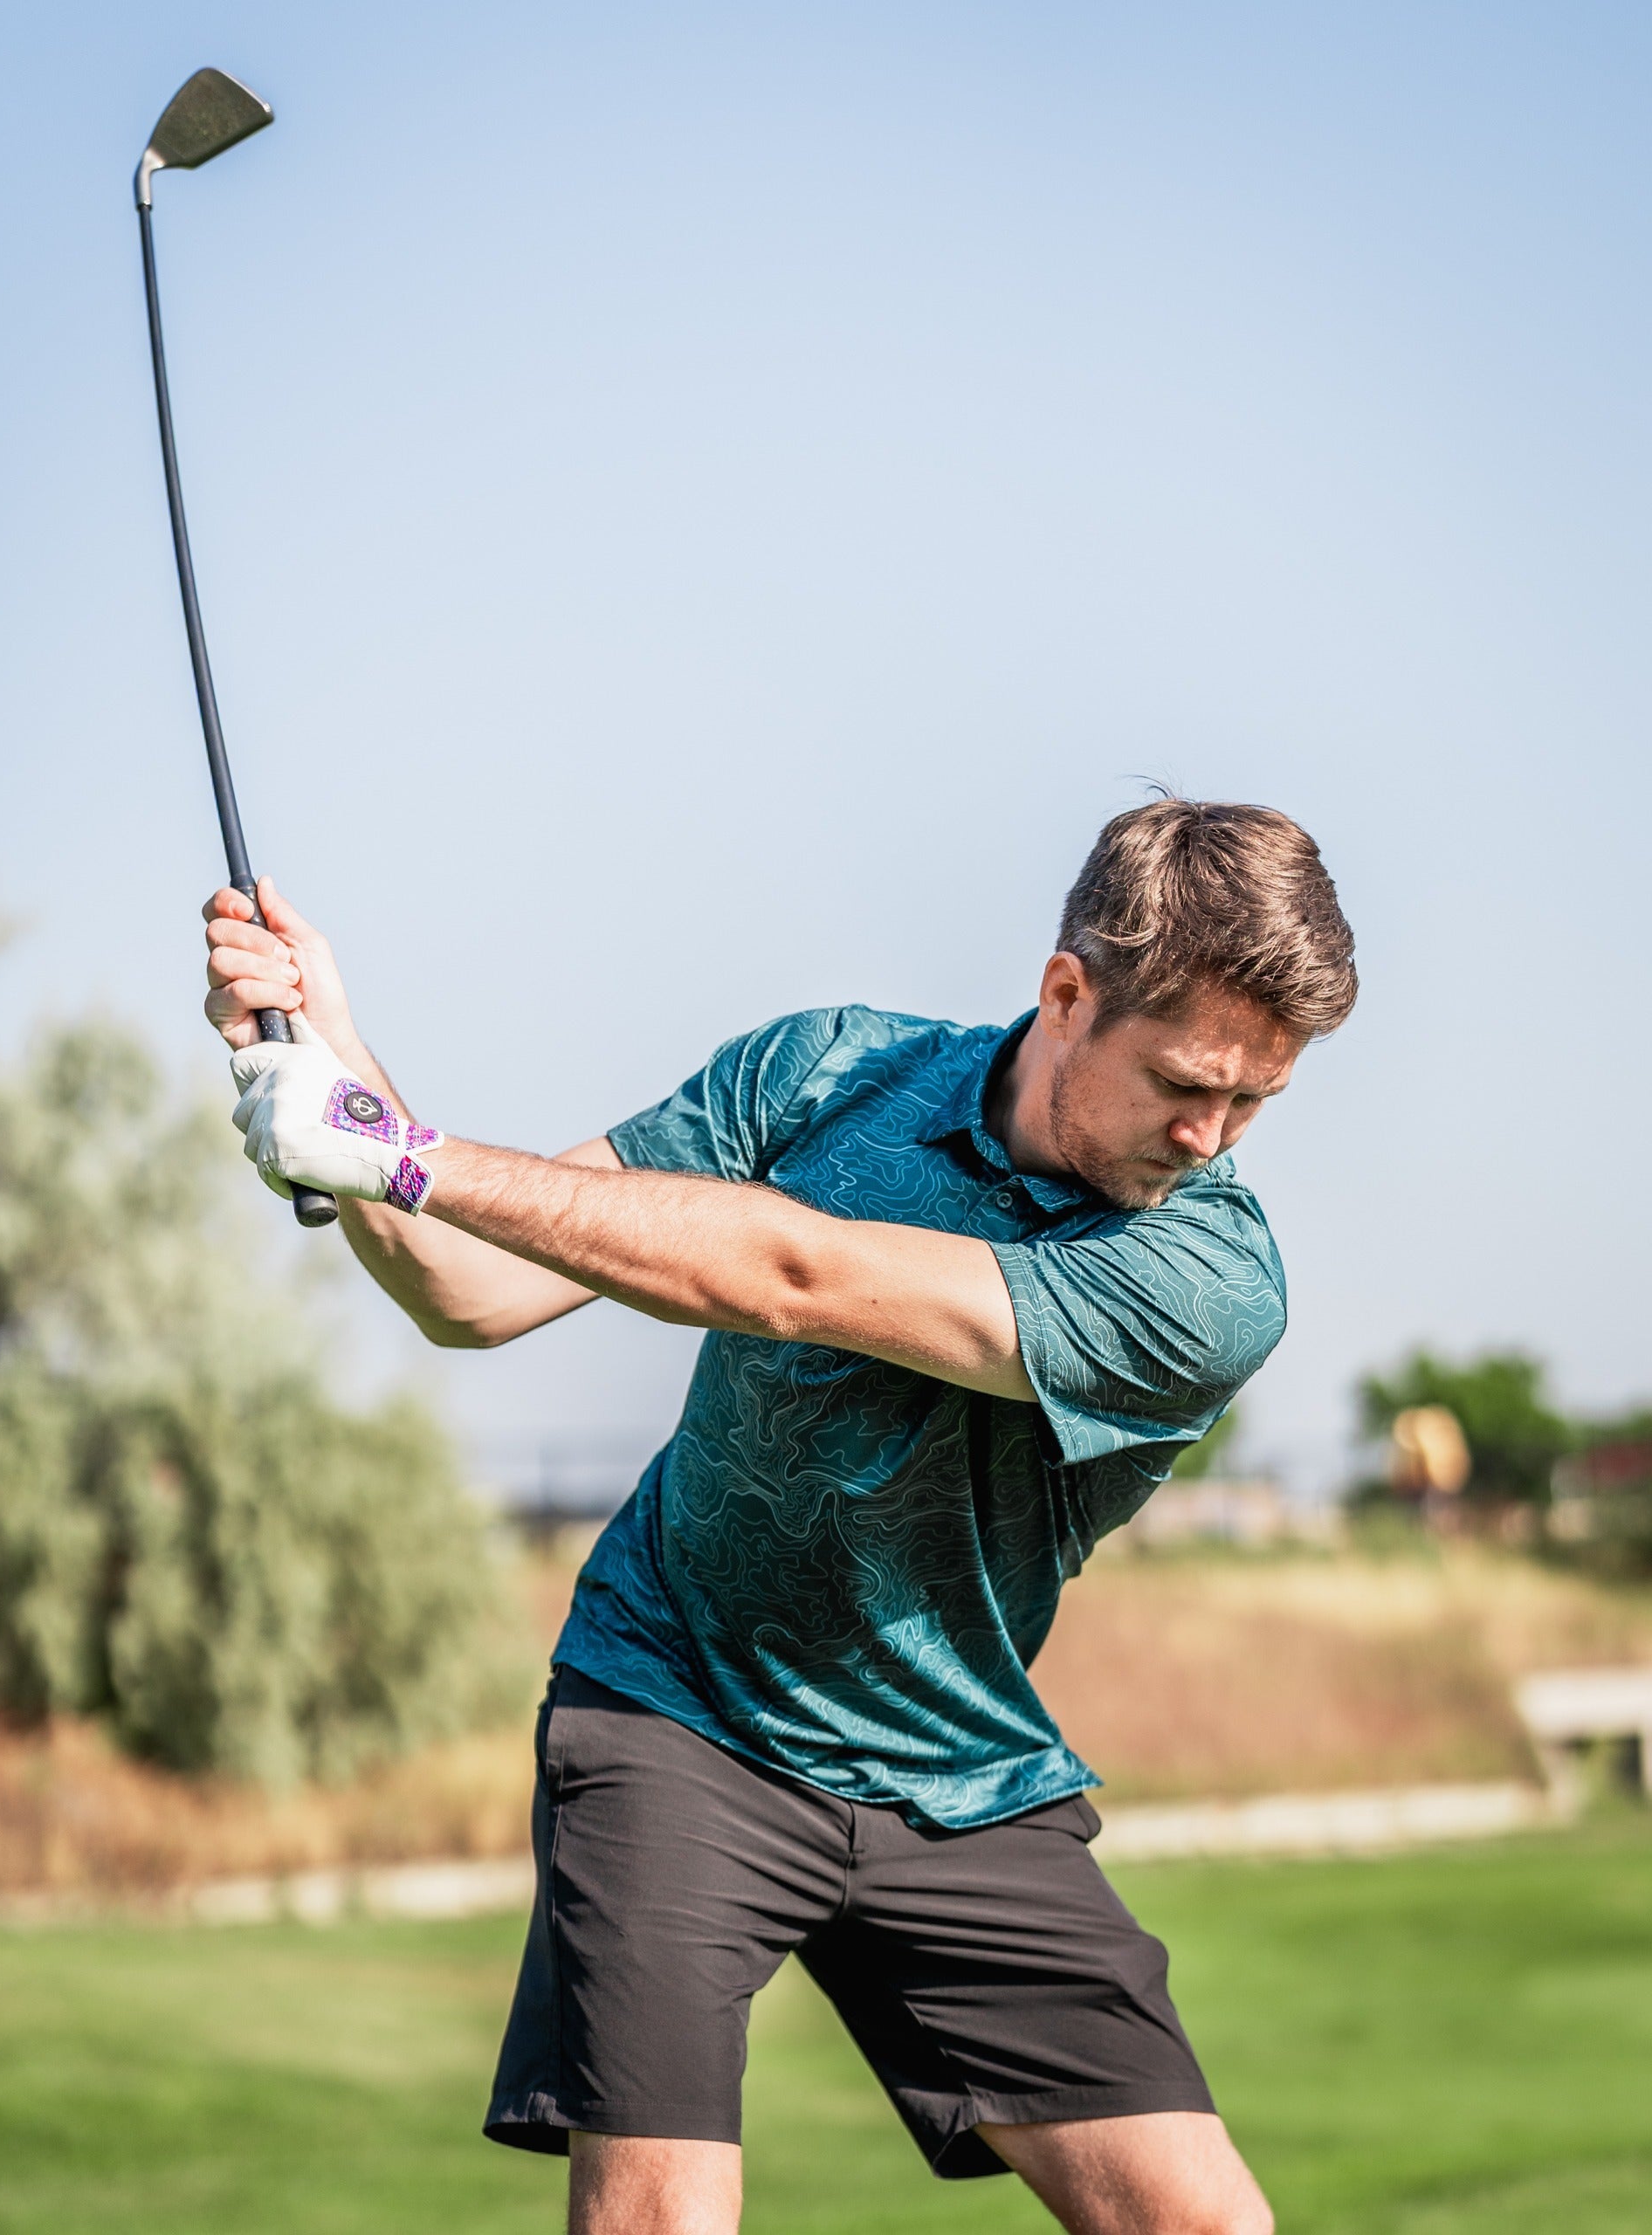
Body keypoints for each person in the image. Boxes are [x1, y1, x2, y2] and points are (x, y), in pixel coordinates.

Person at [203, 796, 1357, 2235]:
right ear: (1068, 992)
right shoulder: (823, 1073)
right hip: (680, 1708)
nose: (1212, 1133)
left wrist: (398, 1145)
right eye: (1186, 1081)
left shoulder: (1206, 1274)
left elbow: (795, 1277)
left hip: (955, 1769)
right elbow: (472, 1286)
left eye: (1256, 1103)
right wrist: (328, 1055)